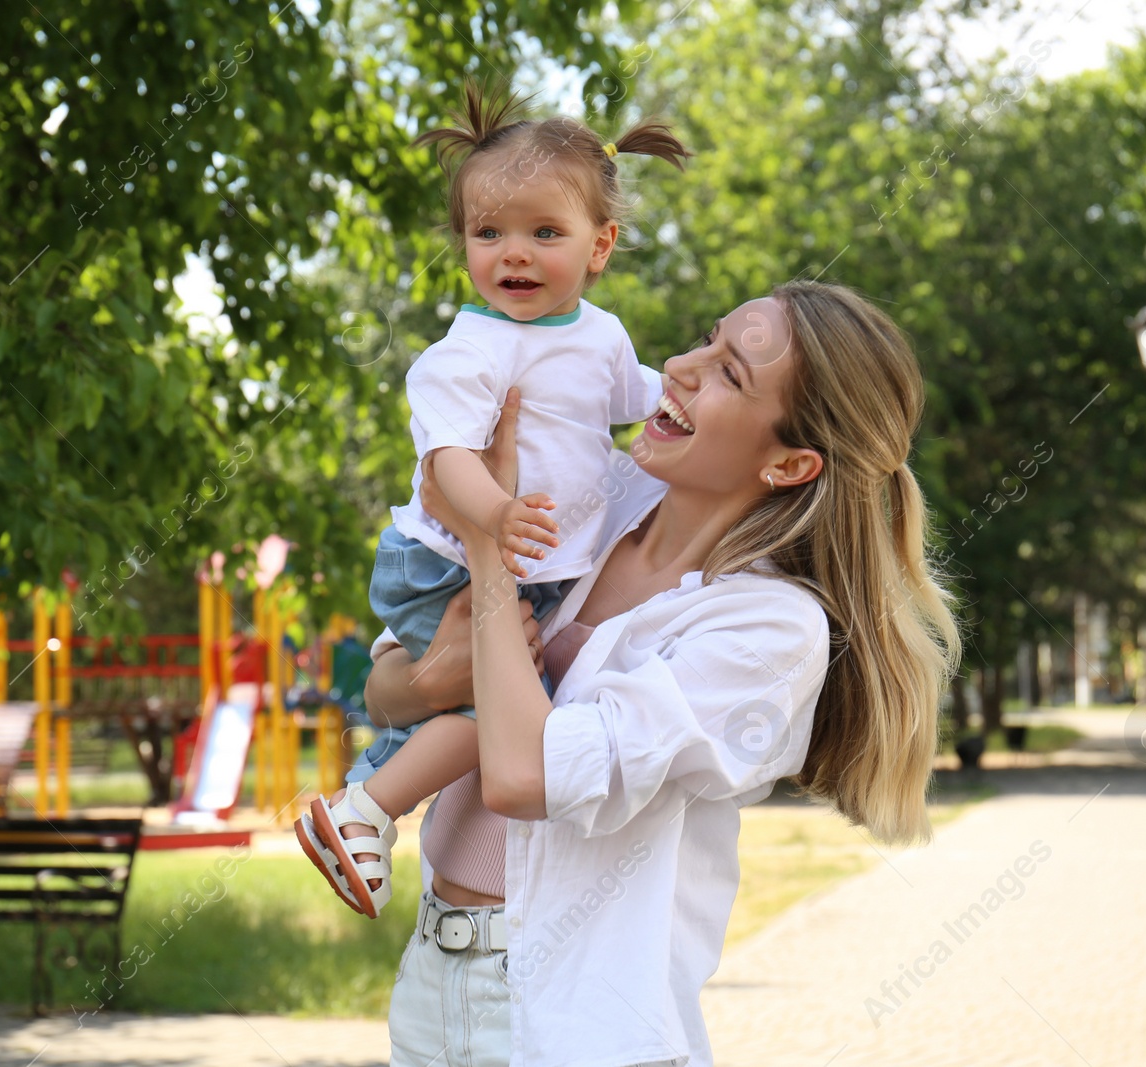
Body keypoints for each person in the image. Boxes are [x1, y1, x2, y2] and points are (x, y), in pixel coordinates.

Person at [365, 281, 961, 1066]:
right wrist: (443, 670)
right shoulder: (593, 493)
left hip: (568, 1018)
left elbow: (524, 775)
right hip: (431, 973)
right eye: (708, 341)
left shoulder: (770, 629)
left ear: (790, 461)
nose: (680, 365)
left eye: (729, 374)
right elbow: (385, 689)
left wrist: (488, 545)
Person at [295, 84, 691, 919]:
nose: (514, 252)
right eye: (489, 233)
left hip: (523, 560)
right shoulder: (469, 351)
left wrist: (699, 399)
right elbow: (446, 460)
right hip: (444, 557)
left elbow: (639, 398)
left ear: (601, 246)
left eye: (544, 232)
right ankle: (366, 809)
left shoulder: (602, 335)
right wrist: (494, 518)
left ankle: (368, 799)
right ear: (464, 242)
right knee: (496, 709)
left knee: (491, 701)